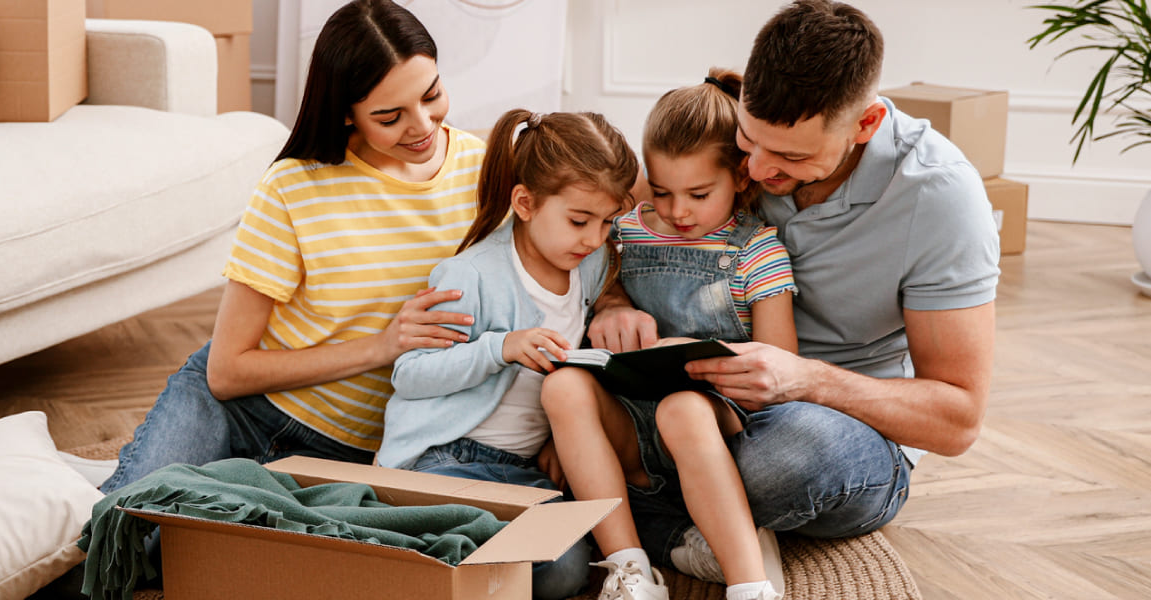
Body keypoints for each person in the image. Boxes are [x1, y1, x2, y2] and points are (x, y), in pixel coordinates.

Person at [585, 0, 999, 586]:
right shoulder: (732, 138)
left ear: (866, 124)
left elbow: (957, 420)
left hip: (837, 426)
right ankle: (684, 522)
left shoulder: (937, 197)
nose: (755, 169)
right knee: (563, 407)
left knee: (783, 464)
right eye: (749, 142)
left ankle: (653, 526)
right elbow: (616, 222)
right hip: (698, 408)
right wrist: (611, 302)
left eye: (791, 157)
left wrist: (807, 380)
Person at [98, 0, 487, 494]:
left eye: (431, 95)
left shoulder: (480, 170)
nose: (424, 126)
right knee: (125, 533)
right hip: (241, 409)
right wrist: (383, 346)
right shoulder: (292, 187)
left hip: (362, 451)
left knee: (212, 553)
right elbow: (226, 371)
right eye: (390, 117)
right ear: (347, 115)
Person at [540, 70, 794, 600]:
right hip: (630, 409)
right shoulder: (625, 231)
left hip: (718, 412)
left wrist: (690, 357)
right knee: (562, 389)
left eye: (699, 194)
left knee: (682, 406)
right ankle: (629, 569)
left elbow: (781, 360)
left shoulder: (757, 248)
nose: (678, 212)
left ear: (740, 179)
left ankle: (751, 587)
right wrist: (612, 303)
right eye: (661, 192)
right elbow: (590, 299)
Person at [378, 108, 637, 600]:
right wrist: (499, 347)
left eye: (607, 222)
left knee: (565, 568)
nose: (595, 237)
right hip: (445, 458)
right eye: (580, 220)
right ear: (525, 202)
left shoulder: (590, 261)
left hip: (523, 473)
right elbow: (410, 376)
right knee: (489, 553)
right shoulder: (471, 274)